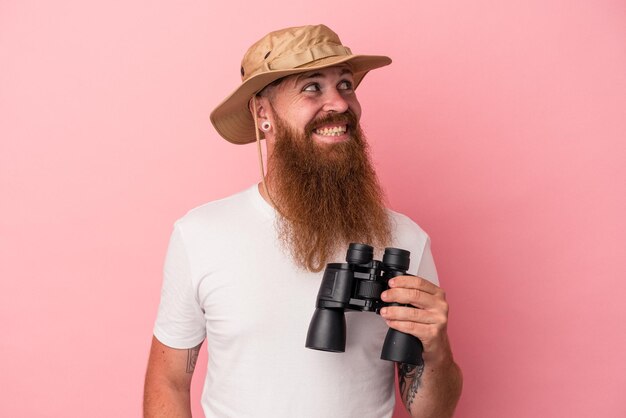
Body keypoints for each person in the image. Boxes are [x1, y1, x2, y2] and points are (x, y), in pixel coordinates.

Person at [144, 24, 462, 418]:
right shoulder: (201, 235)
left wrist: (438, 349)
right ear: (264, 114)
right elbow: (169, 379)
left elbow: (432, 412)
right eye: (312, 87)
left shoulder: (406, 239)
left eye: (345, 85)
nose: (340, 104)